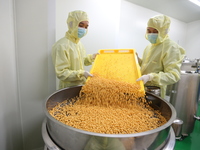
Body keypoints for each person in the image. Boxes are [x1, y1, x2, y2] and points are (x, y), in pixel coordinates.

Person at [136, 15, 185, 98]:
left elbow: (173, 75)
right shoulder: (149, 46)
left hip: (155, 91)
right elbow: (146, 65)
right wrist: (138, 60)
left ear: (163, 31)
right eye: (149, 30)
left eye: (155, 31)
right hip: (142, 88)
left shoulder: (171, 47)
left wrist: (150, 77)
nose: (151, 34)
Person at [52, 10, 98, 89]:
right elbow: (61, 73)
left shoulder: (79, 44)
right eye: (81, 25)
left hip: (81, 85)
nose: (84, 29)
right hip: (67, 88)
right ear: (71, 24)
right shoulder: (61, 45)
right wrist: (82, 74)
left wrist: (92, 57)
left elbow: (82, 61)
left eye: (86, 27)